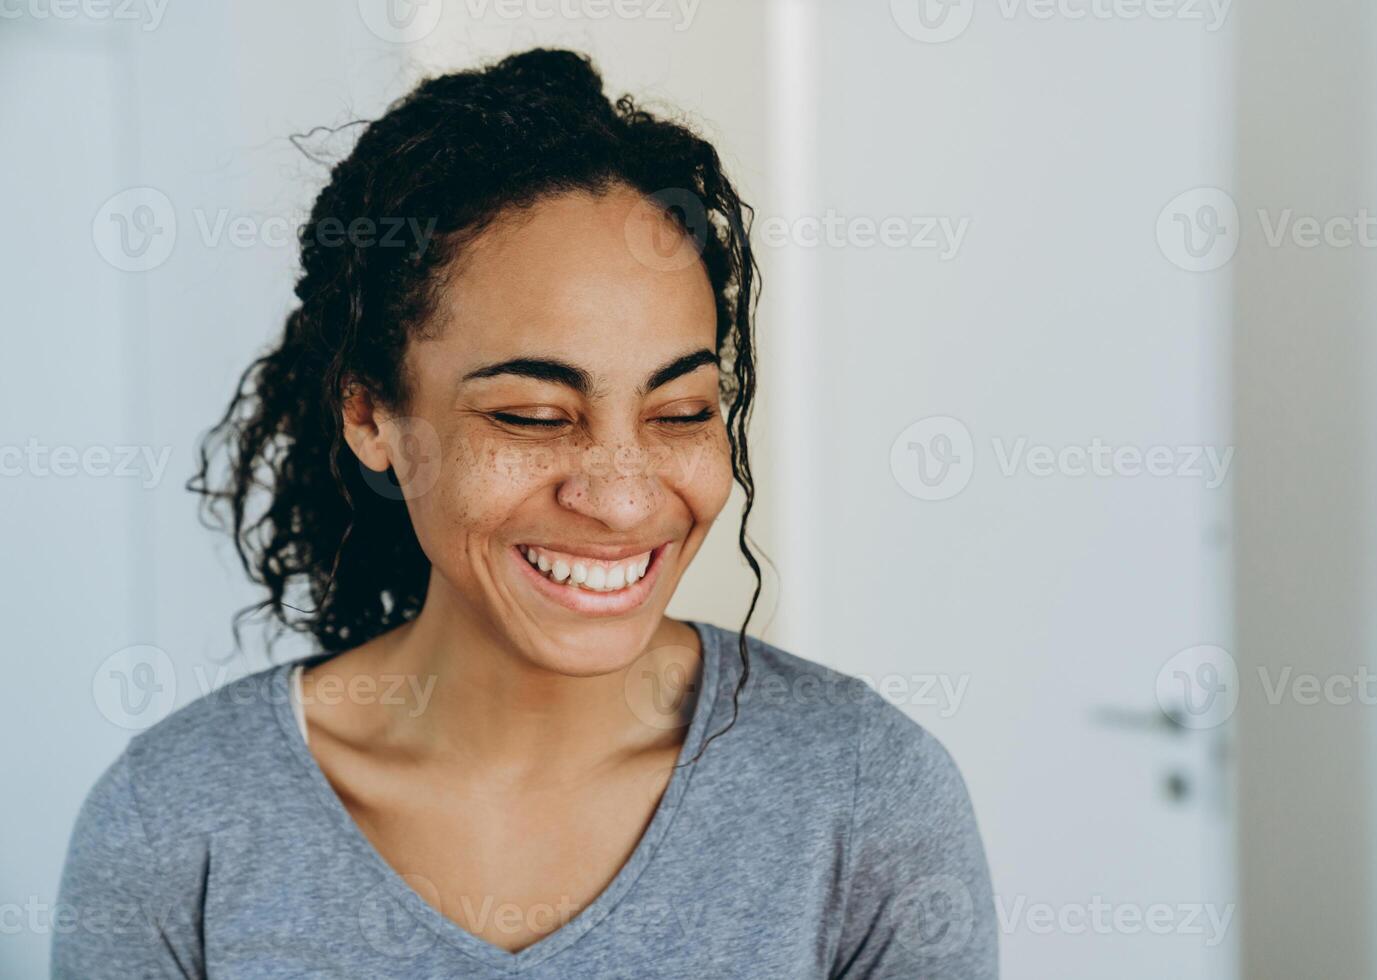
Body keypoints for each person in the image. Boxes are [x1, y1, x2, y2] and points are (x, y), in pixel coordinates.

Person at [52, 47, 998, 978]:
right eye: (535, 417)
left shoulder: (866, 799)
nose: (623, 497)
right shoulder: (177, 825)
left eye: (681, 413)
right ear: (372, 417)